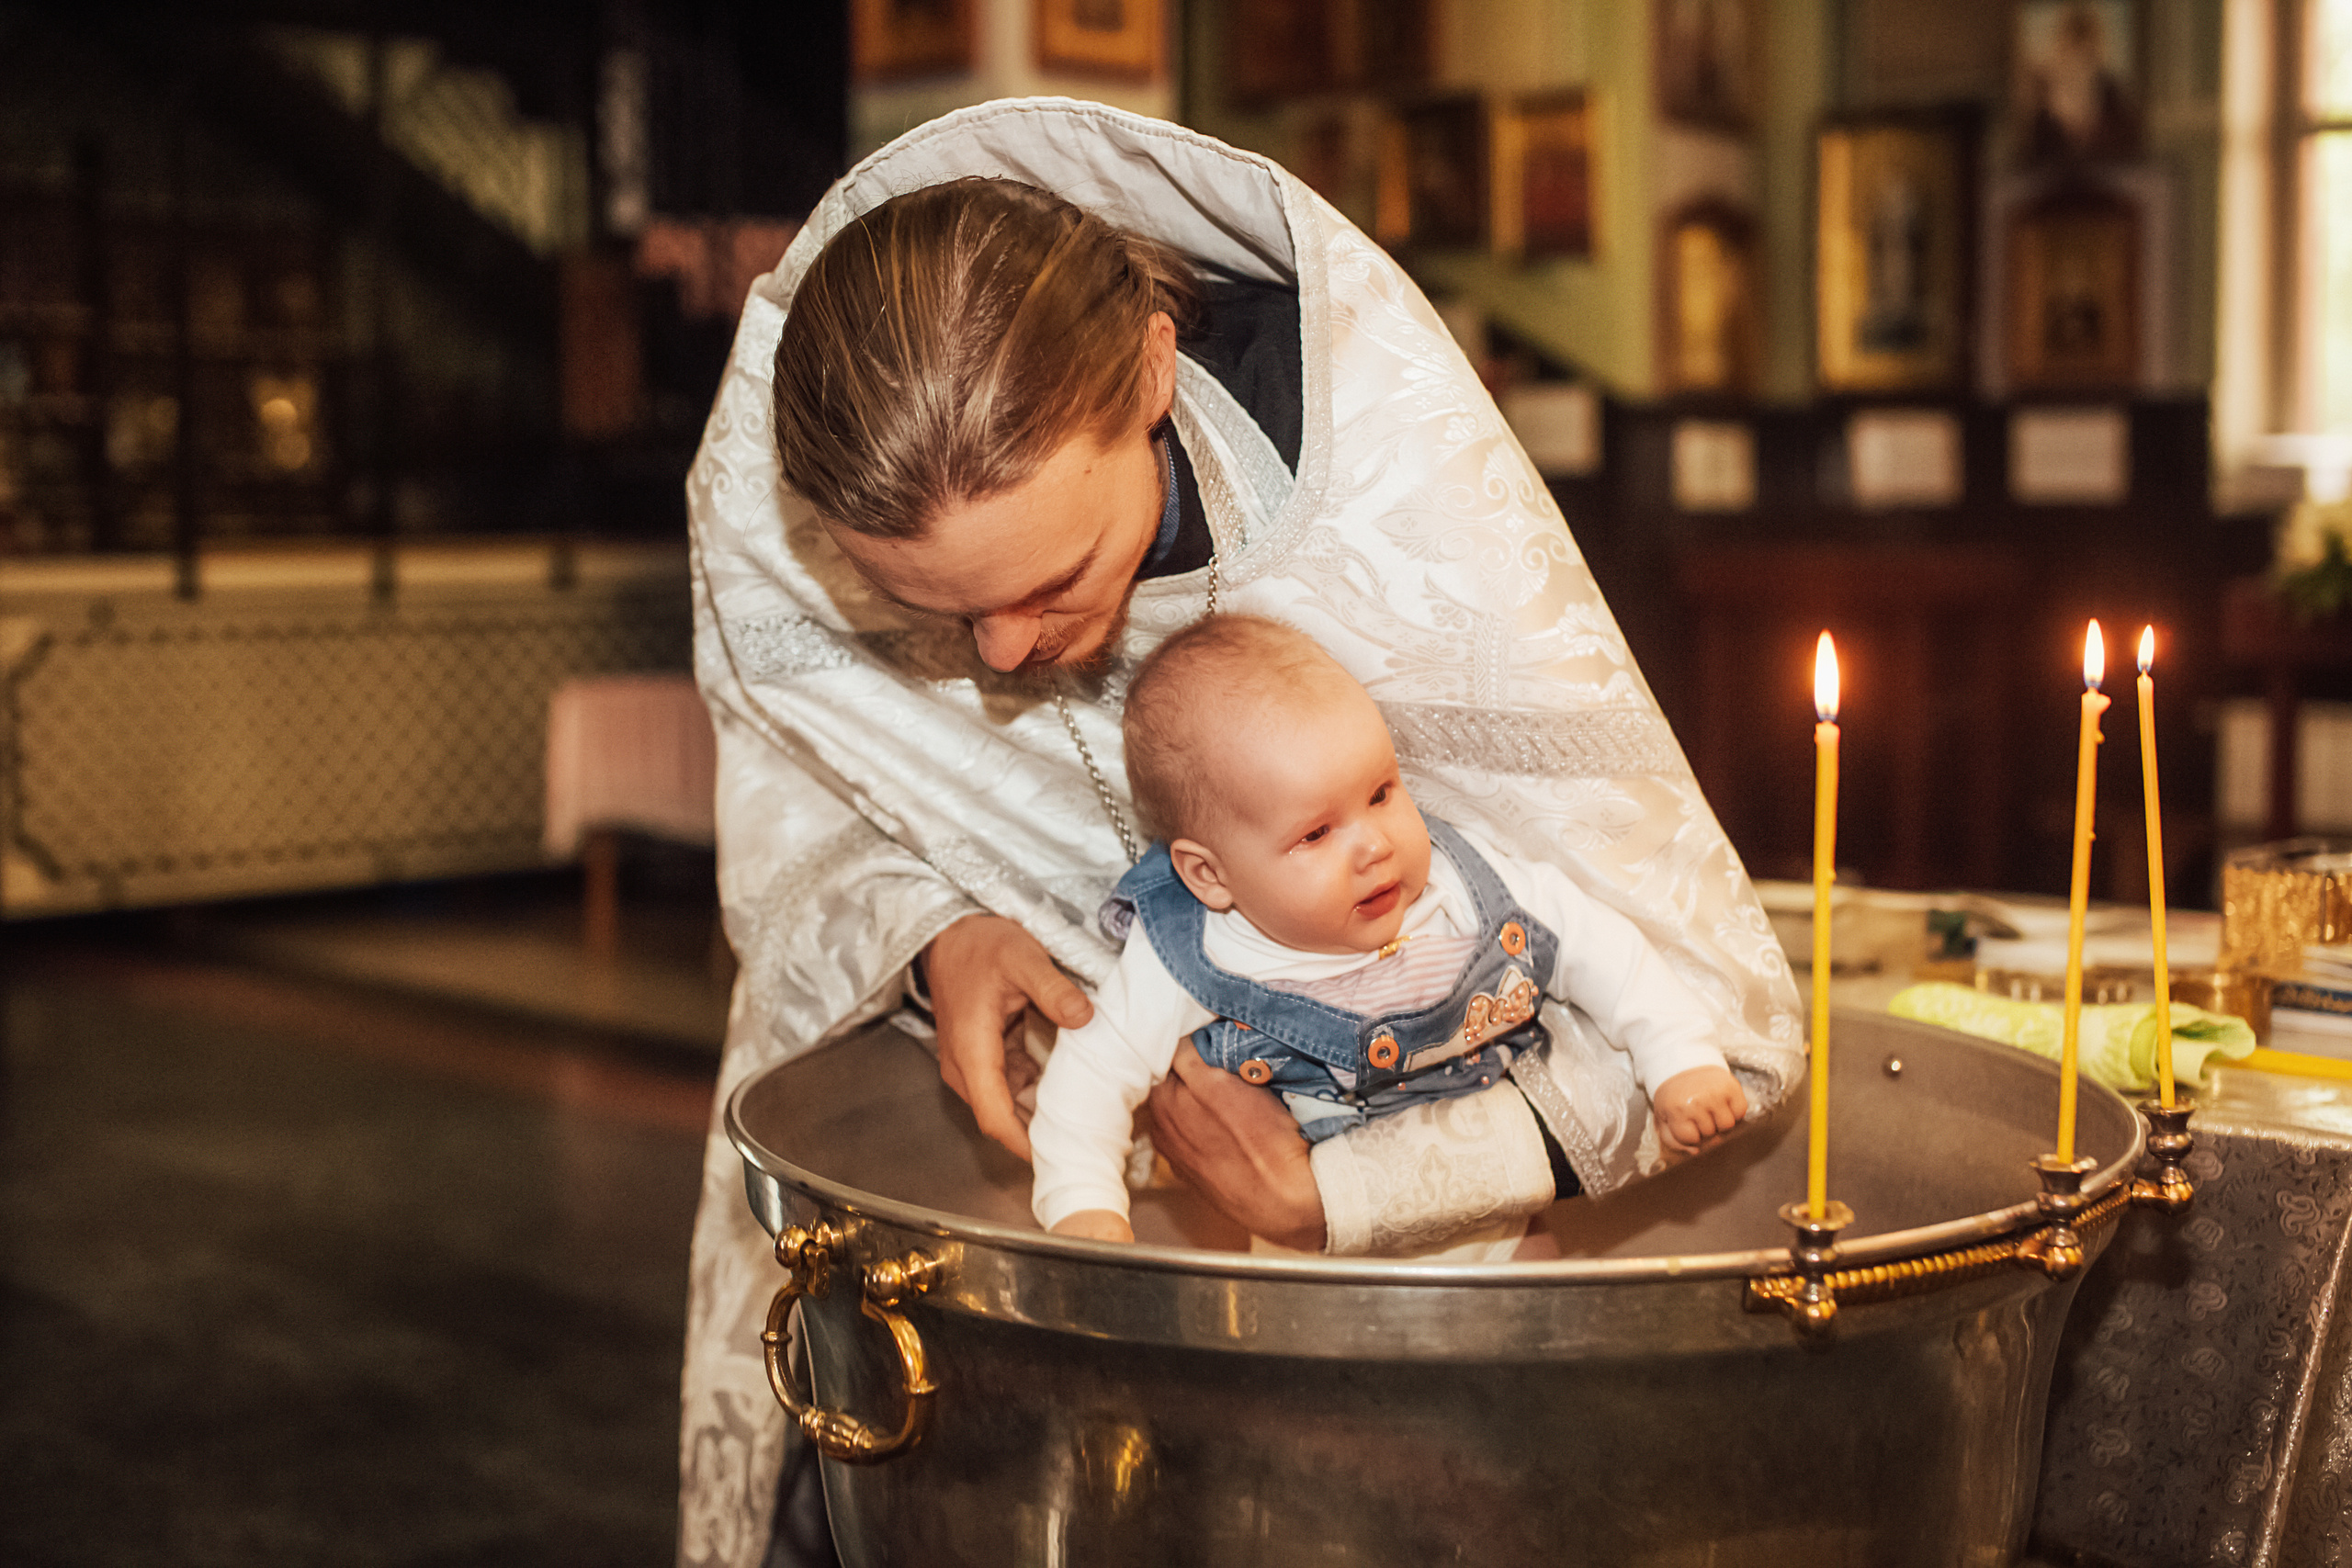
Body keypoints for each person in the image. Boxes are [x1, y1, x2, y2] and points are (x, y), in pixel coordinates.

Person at [681, 100, 1803, 1568]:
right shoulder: (793, 511)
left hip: (1394, 1335)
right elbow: (799, 789)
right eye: (942, 615)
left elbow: (1681, 981)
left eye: (1055, 575)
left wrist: (1338, 1188)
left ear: (1152, 367)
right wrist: (930, 932)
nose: (1007, 656)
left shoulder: (1371, 477)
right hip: (973, 1252)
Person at [1032, 615, 1750, 1253]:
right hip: (1309, 1257)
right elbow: (1091, 1072)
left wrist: (1678, 1057)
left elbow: (1601, 949)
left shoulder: (1463, 890)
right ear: (1210, 876)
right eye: (1316, 832)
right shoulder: (1192, 953)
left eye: (1380, 793)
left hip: (1495, 1222)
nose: (1374, 844)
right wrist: (1081, 1203)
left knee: (1526, 1359)